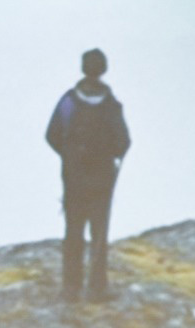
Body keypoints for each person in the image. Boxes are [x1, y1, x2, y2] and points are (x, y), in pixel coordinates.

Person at [45, 48, 131, 302]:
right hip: (103, 179)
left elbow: (51, 135)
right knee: (99, 232)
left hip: (73, 177)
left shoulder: (69, 101)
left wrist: (69, 155)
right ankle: (97, 289)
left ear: (83, 68)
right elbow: (124, 142)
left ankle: (70, 289)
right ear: (104, 69)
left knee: (73, 231)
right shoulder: (112, 105)